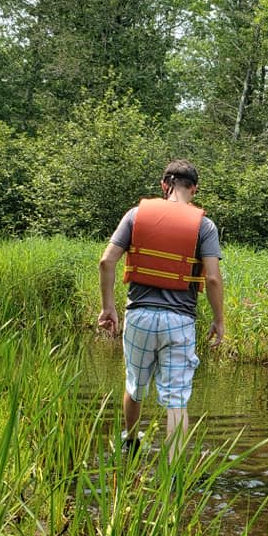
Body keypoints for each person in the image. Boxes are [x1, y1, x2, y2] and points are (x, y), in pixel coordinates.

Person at [98, 159, 224, 460]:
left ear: (163, 185)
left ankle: (130, 443)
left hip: (139, 316)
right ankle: (174, 470)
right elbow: (213, 278)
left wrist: (108, 308)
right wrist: (219, 320)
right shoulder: (204, 226)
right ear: (193, 189)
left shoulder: (135, 216)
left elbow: (106, 261)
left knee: (135, 384)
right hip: (179, 321)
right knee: (176, 399)